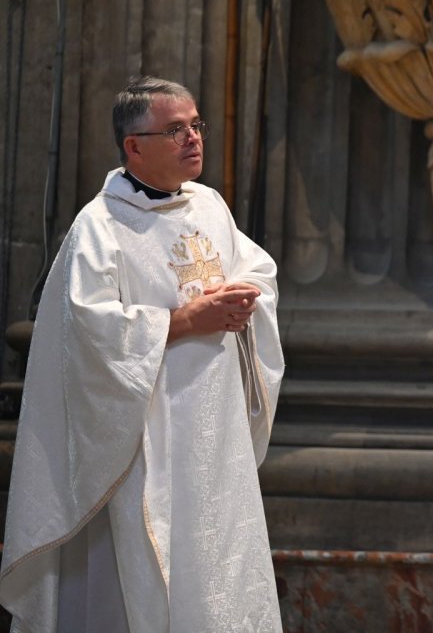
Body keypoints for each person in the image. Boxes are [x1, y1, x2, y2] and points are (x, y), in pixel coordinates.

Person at [0, 77, 286, 632]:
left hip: (212, 439)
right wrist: (184, 321)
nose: (193, 139)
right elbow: (86, 332)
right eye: (175, 130)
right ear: (134, 147)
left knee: (215, 567)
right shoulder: (101, 227)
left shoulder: (209, 206)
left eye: (196, 125)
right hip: (140, 439)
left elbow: (258, 267)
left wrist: (244, 295)